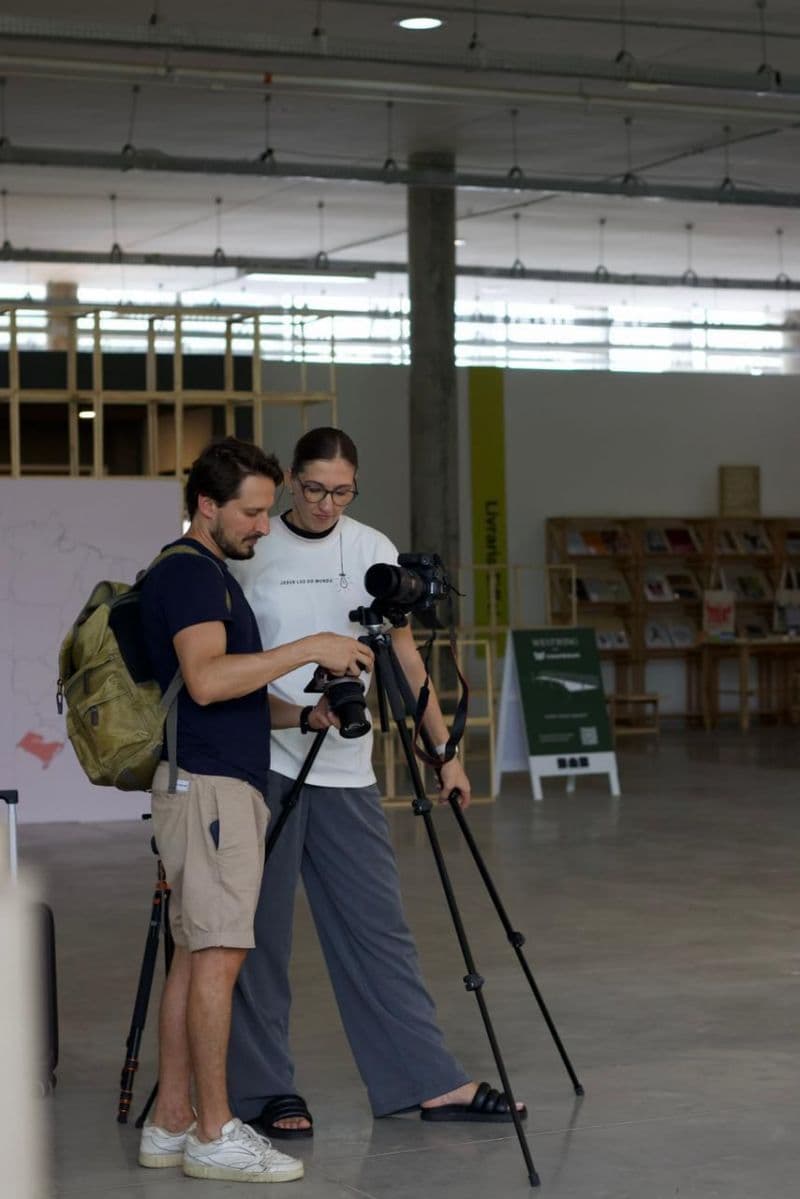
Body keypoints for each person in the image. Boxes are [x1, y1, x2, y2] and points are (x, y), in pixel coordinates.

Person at [227, 427, 525, 1137]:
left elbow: (406, 656)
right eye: (312, 489)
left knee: (378, 930)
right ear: (290, 481)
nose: (326, 504)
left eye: (341, 491)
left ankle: (429, 1081)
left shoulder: (372, 547)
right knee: (259, 935)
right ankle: (266, 1092)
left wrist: (444, 750)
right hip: (265, 760)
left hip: (347, 771)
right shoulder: (253, 548)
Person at [136, 436, 374, 1184]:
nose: (264, 526)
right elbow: (207, 680)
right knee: (219, 958)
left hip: (204, 780)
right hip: (210, 790)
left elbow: (226, 690)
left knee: (195, 955)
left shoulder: (206, 573)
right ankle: (214, 1129)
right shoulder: (195, 577)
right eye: (252, 511)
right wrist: (311, 645)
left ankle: (171, 1120)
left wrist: (303, 717)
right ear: (206, 505)